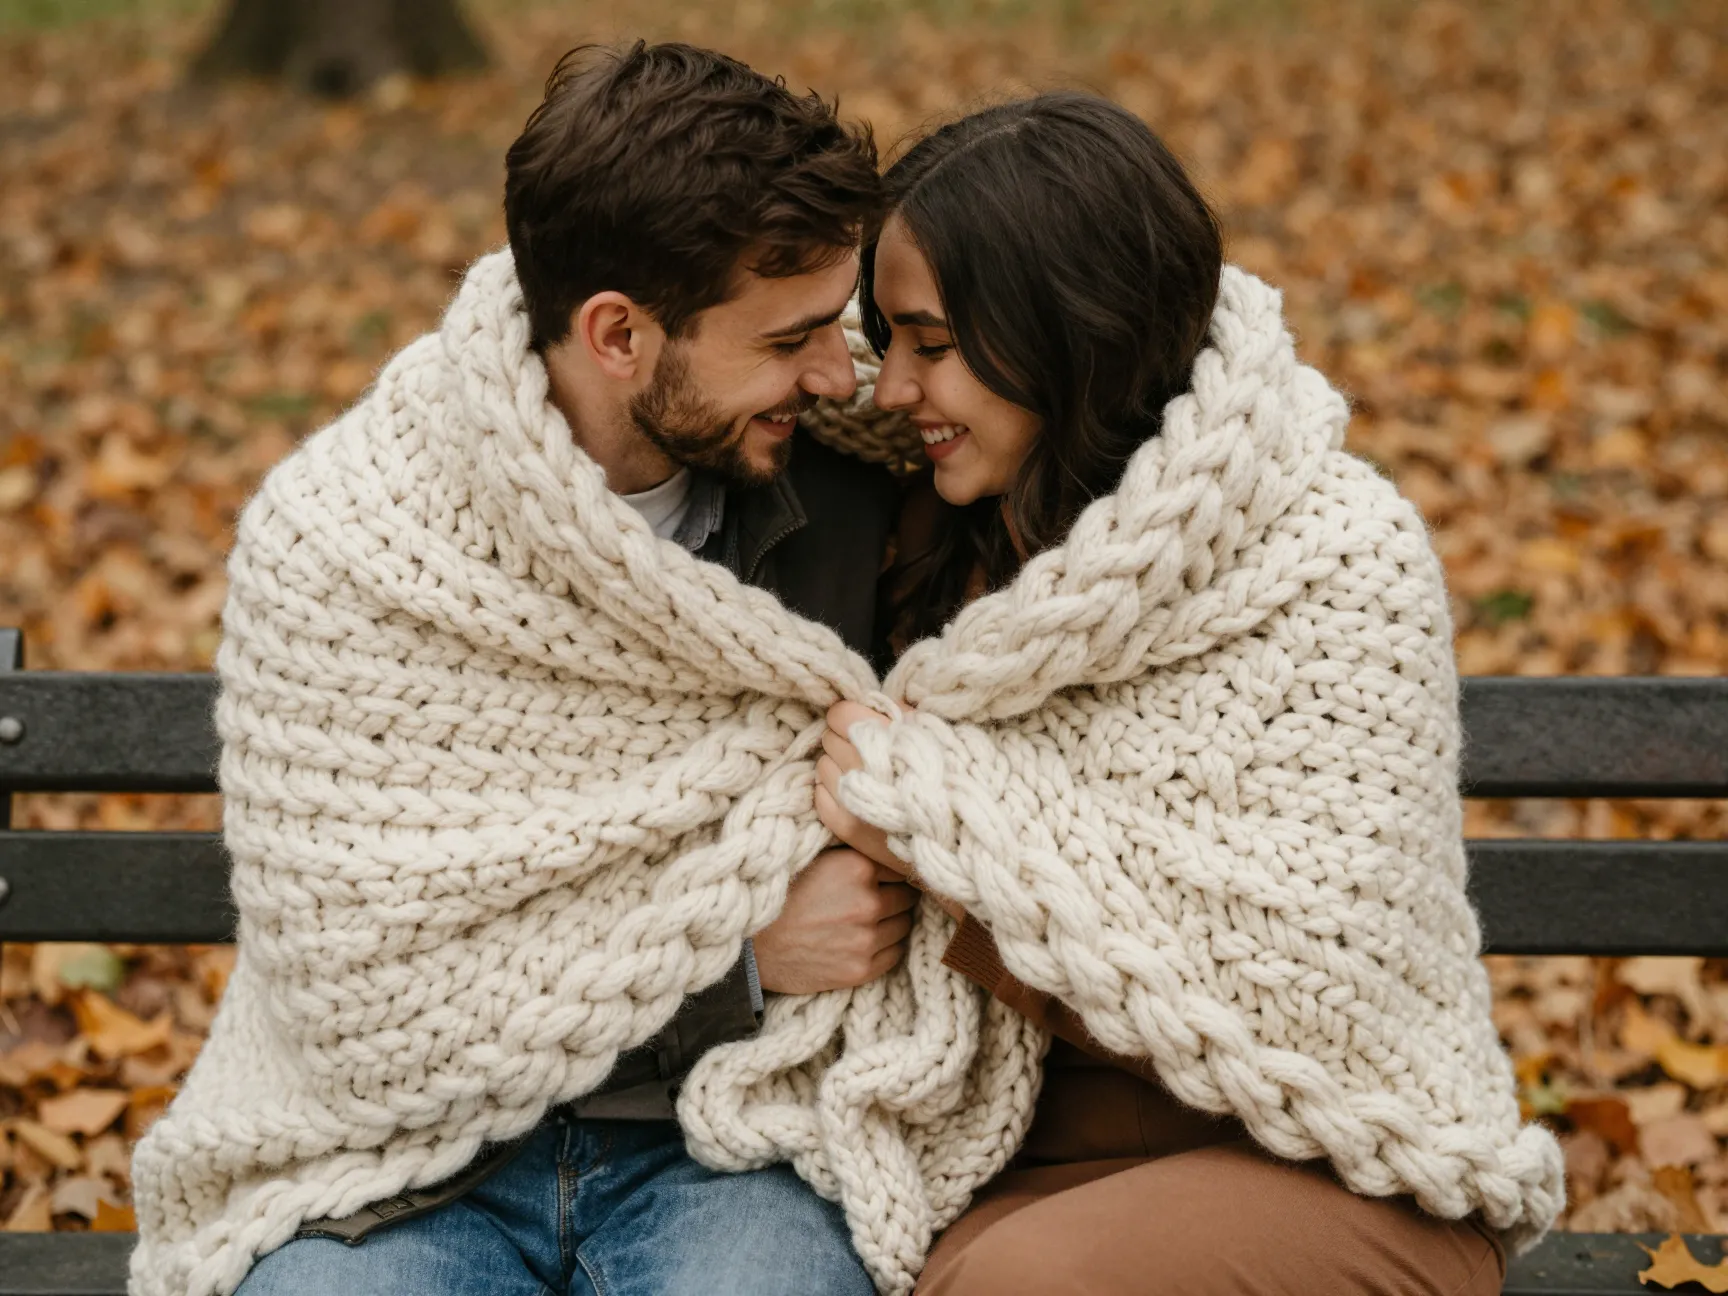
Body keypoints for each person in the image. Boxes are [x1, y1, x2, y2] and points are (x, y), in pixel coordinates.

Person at [132, 42, 912, 1296]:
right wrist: (739, 963)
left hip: (733, 1142)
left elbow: (1116, 413)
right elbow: (364, 1006)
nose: (837, 372)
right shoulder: (348, 544)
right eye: (792, 337)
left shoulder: (867, 476)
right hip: (398, 1169)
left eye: (843, 323)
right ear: (617, 334)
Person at [808, 92, 1557, 1294]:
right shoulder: (929, 532)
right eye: (884, 339)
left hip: (1324, 1162)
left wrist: (935, 818)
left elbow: (1312, 975)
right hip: (993, 1165)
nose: (891, 388)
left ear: (1062, 335)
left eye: (932, 345)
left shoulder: (1328, 552)